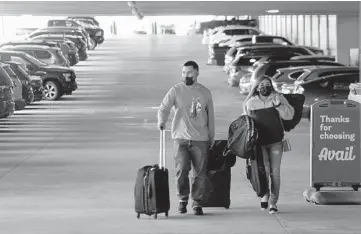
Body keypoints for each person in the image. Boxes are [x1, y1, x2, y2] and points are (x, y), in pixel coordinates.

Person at [157, 61, 215, 216]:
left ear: (197, 73)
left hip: (201, 139)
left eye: (189, 72)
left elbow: (211, 117)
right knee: (182, 169)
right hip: (180, 138)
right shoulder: (176, 90)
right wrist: (161, 121)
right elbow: (164, 107)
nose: (185, 75)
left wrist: (211, 136)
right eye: (183, 72)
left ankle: (197, 202)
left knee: (199, 173)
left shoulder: (205, 92)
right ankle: (183, 199)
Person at [243, 75, 294, 214]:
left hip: (276, 141)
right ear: (257, 86)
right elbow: (246, 123)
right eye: (262, 84)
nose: (265, 87)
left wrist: (278, 105)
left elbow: (289, 115)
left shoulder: (278, 97)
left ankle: (273, 202)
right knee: (263, 171)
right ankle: (264, 196)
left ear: (271, 86)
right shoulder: (250, 102)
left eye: (267, 84)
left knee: (275, 173)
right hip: (259, 143)